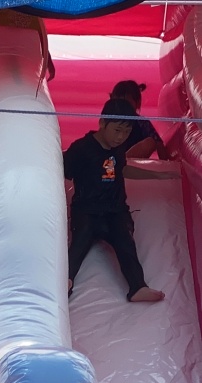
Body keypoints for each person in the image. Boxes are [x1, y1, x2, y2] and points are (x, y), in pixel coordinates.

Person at [64, 97, 179, 303]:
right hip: (86, 208)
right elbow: (62, 172)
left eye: (126, 132)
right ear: (102, 123)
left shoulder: (118, 149)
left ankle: (138, 287)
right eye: (117, 130)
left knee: (125, 241)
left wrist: (158, 175)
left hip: (115, 209)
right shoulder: (81, 149)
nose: (120, 137)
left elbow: (122, 169)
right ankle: (66, 279)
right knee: (79, 241)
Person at [110, 80, 169, 160]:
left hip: (130, 162)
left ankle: (122, 162)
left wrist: (165, 163)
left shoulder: (141, 123)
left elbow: (158, 143)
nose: (123, 107)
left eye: (127, 104)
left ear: (137, 103)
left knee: (150, 142)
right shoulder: (111, 121)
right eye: (119, 104)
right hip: (112, 161)